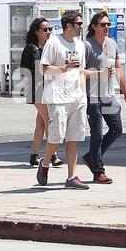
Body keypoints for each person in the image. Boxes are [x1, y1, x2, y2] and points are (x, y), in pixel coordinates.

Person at [36, 10, 89, 190]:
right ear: (68, 25)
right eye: (79, 24)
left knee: (73, 137)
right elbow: (44, 69)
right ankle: (44, 163)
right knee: (56, 136)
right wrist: (64, 68)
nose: (81, 27)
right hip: (57, 96)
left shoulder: (81, 45)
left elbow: (81, 71)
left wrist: (83, 96)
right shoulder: (54, 42)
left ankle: (72, 177)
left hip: (76, 97)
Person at [83, 11, 126, 183]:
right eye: (103, 24)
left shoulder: (112, 44)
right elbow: (79, 72)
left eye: (107, 24)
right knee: (96, 134)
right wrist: (100, 73)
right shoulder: (86, 45)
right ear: (94, 26)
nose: (106, 27)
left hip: (108, 94)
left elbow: (119, 70)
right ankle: (98, 171)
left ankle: (92, 157)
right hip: (92, 95)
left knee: (116, 129)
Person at [20, 17, 63, 167]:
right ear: (36, 32)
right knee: (49, 120)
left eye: (50, 29)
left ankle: (34, 155)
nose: (48, 32)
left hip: (48, 89)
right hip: (36, 90)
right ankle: (53, 155)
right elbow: (24, 71)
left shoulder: (50, 47)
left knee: (41, 123)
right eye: (45, 30)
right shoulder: (31, 48)